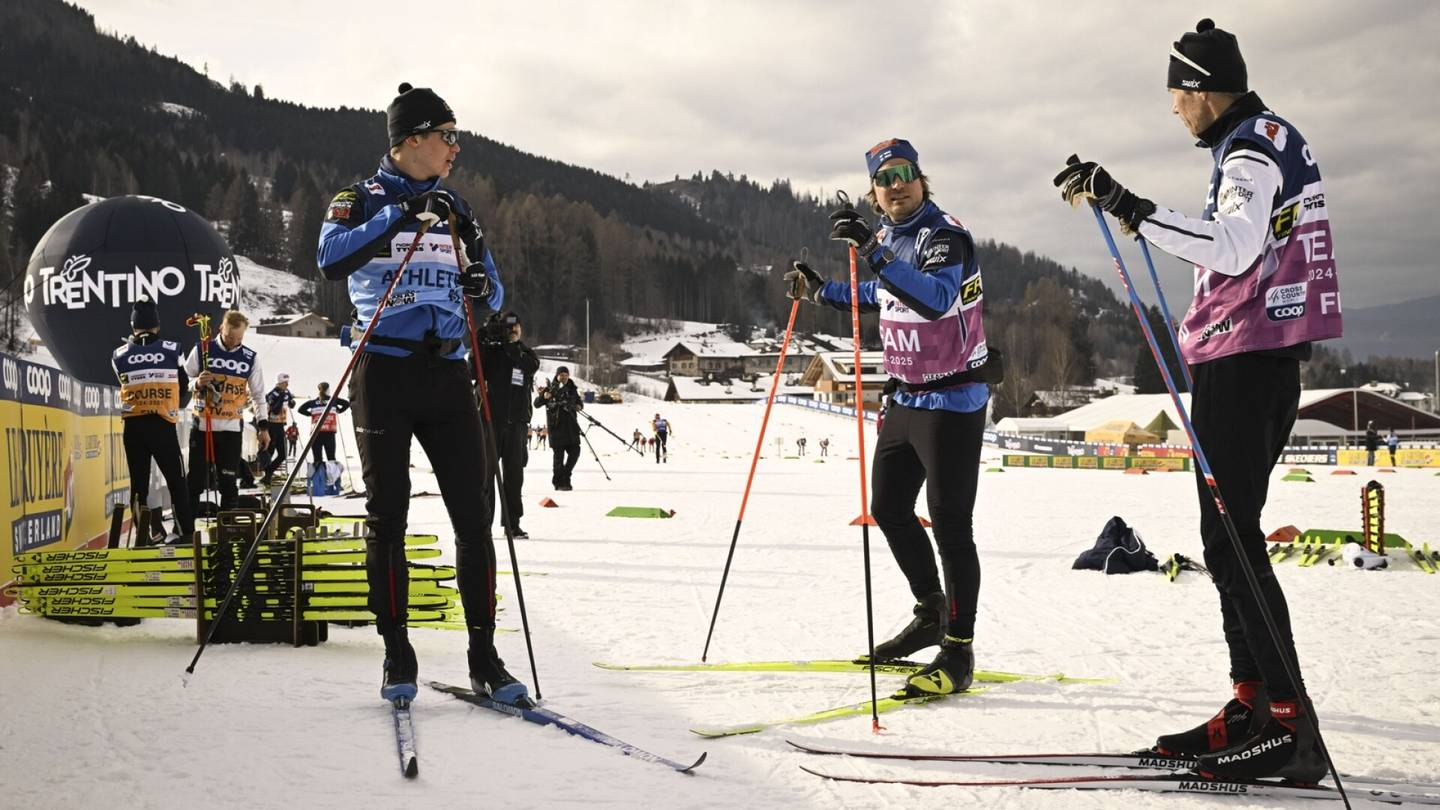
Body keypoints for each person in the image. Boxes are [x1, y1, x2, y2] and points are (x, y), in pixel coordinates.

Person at [1053, 19, 1343, 782]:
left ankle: (1287, 721)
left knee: (1235, 541)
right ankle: (1254, 703)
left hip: (1250, 362)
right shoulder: (1256, 139)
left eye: (1178, 94)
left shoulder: (1249, 147)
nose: (1175, 110)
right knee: (1224, 538)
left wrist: (1130, 205)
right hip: (1246, 356)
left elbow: (1235, 244)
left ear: (1204, 90)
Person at [316, 82, 519, 706]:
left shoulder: (458, 207)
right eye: (447, 136)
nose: (456, 148)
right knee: (389, 516)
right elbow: (330, 258)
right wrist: (400, 215)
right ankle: (396, 651)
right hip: (385, 370)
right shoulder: (358, 197)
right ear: (412, 141)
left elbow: (497, 295)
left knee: (473, 518)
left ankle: (484, 655)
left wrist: (485, 285)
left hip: (450, 373)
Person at [785, 137, 997, 699]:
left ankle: (959, 649)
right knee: (888, 508)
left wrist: (874, 249)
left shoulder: (943, 235)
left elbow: (934, 296)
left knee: (951, 523)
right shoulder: (892, 238)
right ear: (875, 193)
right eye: (885, 179)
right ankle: (931, 611)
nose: (896, 185)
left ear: (921, 179)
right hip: (905, 398)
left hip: (952, 398)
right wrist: (819, 291)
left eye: (905, 174)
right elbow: (881, 294)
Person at [111, 296, 193, 545]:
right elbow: (183, 384)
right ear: (157, 325)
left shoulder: (119, 354)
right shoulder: (172, 349)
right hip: (162, 423)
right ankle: (185, 532)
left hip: (133, 426)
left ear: (133, 326)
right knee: (176, 480)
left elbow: (122, 379)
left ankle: (143, 535)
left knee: (138, 485)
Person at [183, 309, 269, 515]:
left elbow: (258, 395)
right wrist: (196, 383)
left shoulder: (250, 358)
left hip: (231, 428)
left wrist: (263, 426)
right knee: (195, 481)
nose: (233, 342)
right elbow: (183, 380)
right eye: (230, 336)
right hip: (203, 425)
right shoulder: (203, 349)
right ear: (221, 328)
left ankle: (227, 532)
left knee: (228, 483)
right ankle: (187, 529)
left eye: (238, 338)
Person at [477, 310, 540, 539]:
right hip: (491, 421)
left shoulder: (524, 352)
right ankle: (484, 523)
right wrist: (481, 340)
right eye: (509, 328)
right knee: (486, 476)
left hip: (517, 423)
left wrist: (511, 345)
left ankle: (512, 523)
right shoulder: (490, 351)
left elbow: (531, 366)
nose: (513, 331)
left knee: (514, 477)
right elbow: (474, 370)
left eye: (516, 328)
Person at [535, 368, 582, 490]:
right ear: (557, 375)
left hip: (571, 427)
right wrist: (544, 397)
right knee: (558, 458)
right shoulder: (550, 388)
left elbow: (579, 402)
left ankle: (566, 476)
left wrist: (578, 406)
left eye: (566, 375)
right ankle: (558, 482)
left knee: (575, 452)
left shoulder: (572, 388)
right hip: (556, 428)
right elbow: (536, 404)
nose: (564, 377)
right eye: (561, 375)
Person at [297, 381, 351, 466]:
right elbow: (347, 404)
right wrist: (339, 410)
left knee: (317, 460)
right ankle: (333, 478)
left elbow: (300, 409)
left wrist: (311, 414)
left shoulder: (313, 402)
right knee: (331, 458)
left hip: (316, 433)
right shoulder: (333, 400)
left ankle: (319, 478)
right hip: (329, 432)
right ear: (328, 390)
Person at [260, 373, 295, 484]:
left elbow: (291, 404)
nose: (287, 385)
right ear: (279, 383)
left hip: (280, 425)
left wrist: (291, 401)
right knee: (269, 451)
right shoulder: (272, 394)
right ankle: (267, 475)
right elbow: (275, 410)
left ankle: (268, 472)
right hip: (271, 425)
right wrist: (281, 397)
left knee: (283, 454)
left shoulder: (286, 392)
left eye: (287, 382)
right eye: (285, 383)